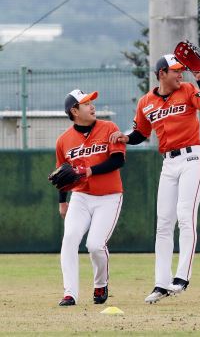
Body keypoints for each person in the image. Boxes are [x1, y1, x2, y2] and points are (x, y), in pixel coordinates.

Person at [109, 54, 200, 303]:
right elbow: (140, 133)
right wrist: (126, 137)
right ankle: (161, 282)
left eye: (182, 70)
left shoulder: (189, 89)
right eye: (176, 71)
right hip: (168, 163)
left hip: (193, 158)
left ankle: (182, 276)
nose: (181, 74)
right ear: (161, 74)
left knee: (185, 215)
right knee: (163, 224)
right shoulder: (146, 102)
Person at [55, 89, 126, 306]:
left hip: (109, 196)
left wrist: (89, 171)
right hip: (81, 197)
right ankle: (70, 293)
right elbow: (62, 174)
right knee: (69, 240)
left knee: (95, 245)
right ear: (74, 111)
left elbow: (117, 161)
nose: (92, 106)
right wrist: (62, 201)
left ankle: (100, 283)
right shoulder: (64, 140)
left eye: (91, 102)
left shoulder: (109, 128)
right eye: (86, 103)